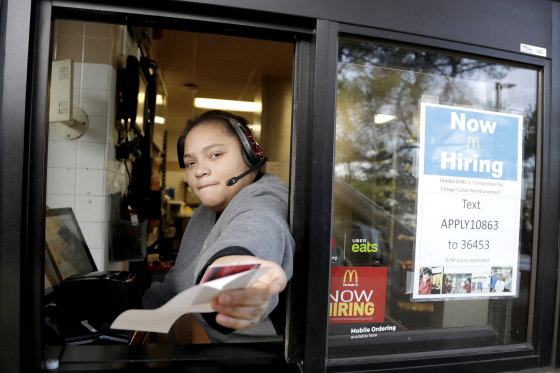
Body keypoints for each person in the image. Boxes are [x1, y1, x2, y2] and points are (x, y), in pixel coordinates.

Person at [142, 110, 295, 342]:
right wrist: (131, 305)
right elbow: (178, 283)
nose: (199, 171)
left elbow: (253, 232)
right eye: (190, 162)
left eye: (215, 154)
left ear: (251, 155)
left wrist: (234, 281)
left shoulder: (265, 201)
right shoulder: (204, 213)